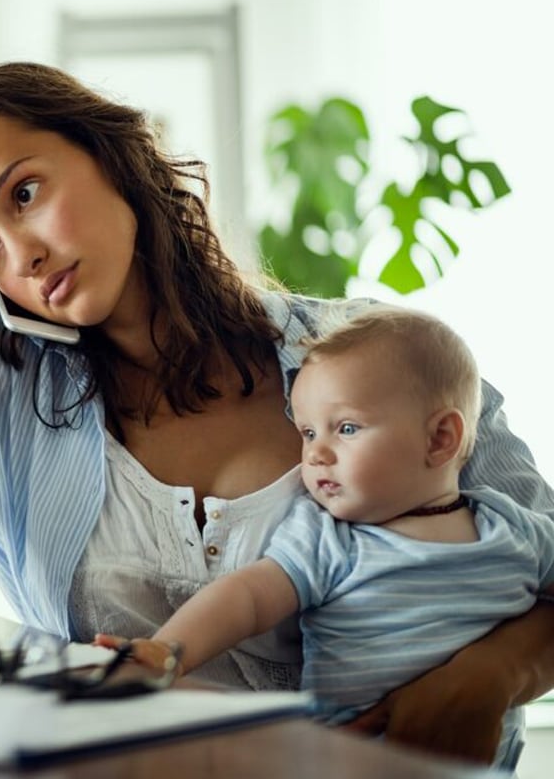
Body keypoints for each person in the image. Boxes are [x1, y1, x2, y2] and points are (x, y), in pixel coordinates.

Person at [0, 61, 554, 764]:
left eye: (25, 193)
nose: (17, 258)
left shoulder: (383, 357)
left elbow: (541, 551)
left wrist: (487, 677)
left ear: (114, 157)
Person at [104, 306, 554, 770]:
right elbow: (248, 598)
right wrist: (167, 651)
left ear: (440, 438)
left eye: (346, 428)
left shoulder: (513, 528)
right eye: (307, 431)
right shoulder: (329, 538)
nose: (315, 454)